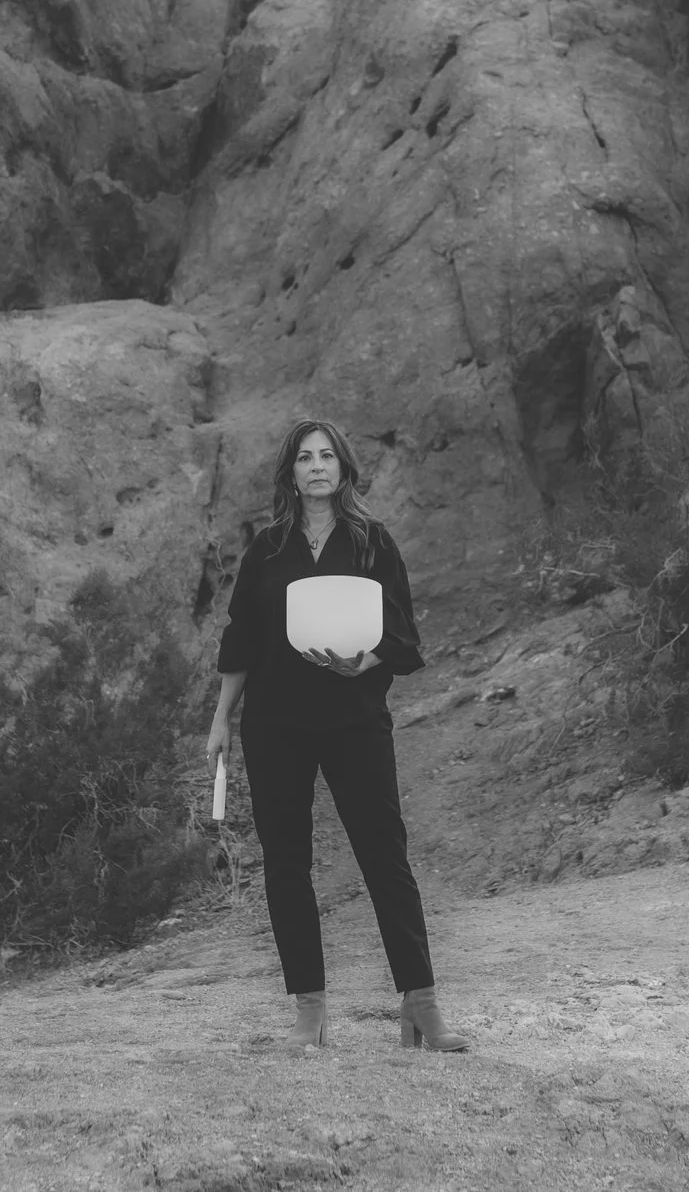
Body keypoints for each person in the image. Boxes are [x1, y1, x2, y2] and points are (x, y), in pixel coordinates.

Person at [205, 418, 469, 1052]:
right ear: (290, 472)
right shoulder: (266, 550)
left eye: (327, 456)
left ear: (343, 469)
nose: (316, 466)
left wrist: (367, 661)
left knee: (385, 857)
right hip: (276, 723)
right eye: (304, 457)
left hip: (355, 718)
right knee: (287, 865)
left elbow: (402, 633)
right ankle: (310, 1014)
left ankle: (422, 1005)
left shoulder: (373, 542)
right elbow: (241, 641)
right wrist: (221, 720)